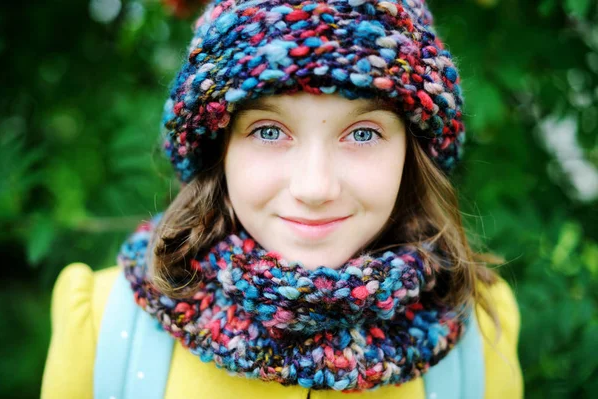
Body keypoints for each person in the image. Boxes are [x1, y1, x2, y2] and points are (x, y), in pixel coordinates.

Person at [41, 0, 524, 398]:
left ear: (412, 152)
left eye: (362, 133)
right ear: (218, 148)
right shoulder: (106, 324)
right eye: (269, 130)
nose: (315, 188)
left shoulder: (481, 331)